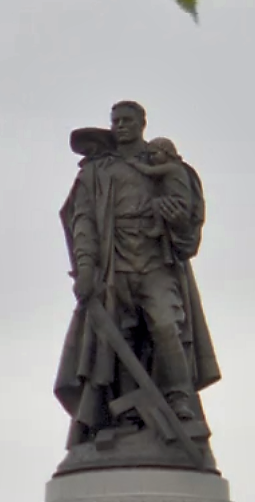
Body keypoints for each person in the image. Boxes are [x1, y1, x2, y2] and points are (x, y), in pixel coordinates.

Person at [54, 101, 220, 449]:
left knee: (166, 325)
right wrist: (86, 267)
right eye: (115, 121)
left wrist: (178, 220)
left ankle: (180, 401)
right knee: (119, 337)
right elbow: (82, 221)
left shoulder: (164, 164)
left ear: (142, 123)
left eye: (127, 120)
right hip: (114, 266)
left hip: (155, 262)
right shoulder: (96, 172)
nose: (120, 126)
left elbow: (188, 224)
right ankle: (125, 416)